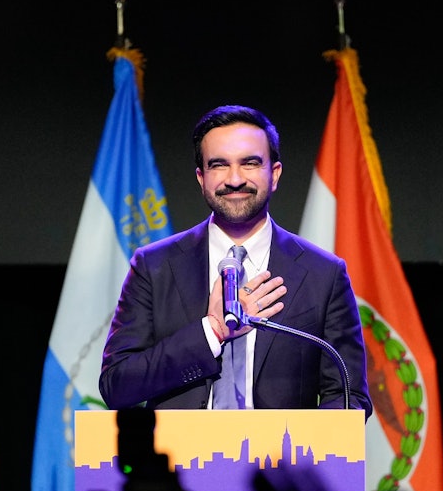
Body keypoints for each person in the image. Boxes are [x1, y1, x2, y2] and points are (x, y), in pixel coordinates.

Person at [99, 103, 372, 417]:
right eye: (219, 165)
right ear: (201, 177)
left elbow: (349, 398)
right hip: (178, 463)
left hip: (281, 462)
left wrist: (299, 451)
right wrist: (212, 331)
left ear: (275, 174)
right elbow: (116, 386)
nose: (235, 179)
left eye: (250, 163)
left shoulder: (323, 275)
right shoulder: (154, 267)